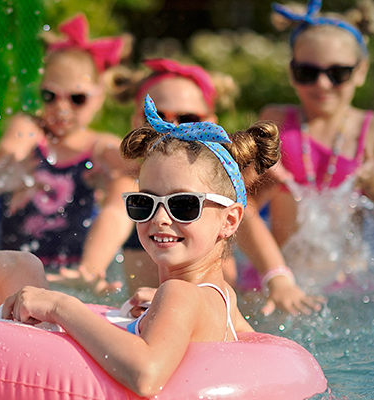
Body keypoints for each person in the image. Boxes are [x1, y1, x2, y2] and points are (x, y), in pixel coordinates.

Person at [0, 94, 270, 397]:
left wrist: (60, 306)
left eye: (183, 205)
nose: (160, 217)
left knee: (18, 270)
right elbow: (249, 347)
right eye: (144, 203)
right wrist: (160, 313)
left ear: (230, 219)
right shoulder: (217, 298)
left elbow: (146, 375)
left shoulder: (180, 294)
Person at [109, 58, 322, 315]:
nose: (172, 129)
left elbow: (245, 221)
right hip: (154, 306)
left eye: (187, 118)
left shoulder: (215, 183)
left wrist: (277, 278)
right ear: (136, 121)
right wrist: (92, 267)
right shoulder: (128, 182)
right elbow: (113, 214)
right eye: (156, 117)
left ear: (209, 122)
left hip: (206, 307)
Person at [0, 14, 135, 294]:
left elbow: (126, 159)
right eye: (51, 96)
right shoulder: (29, 129)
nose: (62, 108)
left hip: (67, 272)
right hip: (14, 269)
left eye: (77, 99)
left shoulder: (97, 146)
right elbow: (12, 146)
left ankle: (90, 271)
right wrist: (10, 161)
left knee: (125, 187)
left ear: (98, 98)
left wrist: (129, 166)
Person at [255, 0, 374, 292]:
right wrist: (264, 182)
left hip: (349, 283)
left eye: (338, 73)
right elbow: (240, 208)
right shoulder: (275, 122)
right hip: (280, 278)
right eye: (307, 72)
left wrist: (373, 181)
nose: (323, 84)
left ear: (361, 71)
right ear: (291, 71)